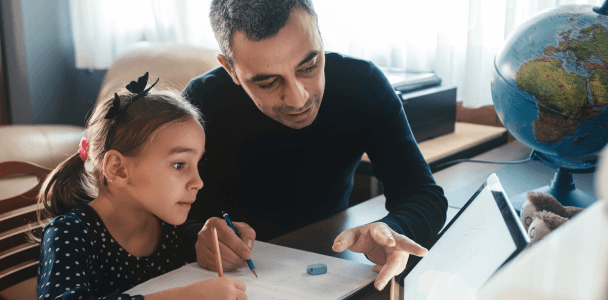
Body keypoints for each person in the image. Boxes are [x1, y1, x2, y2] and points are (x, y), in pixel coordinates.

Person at [182, 0, 448, 291]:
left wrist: (393, 231)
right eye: (268, 83)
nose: (299, 99)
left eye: (309, 66)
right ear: (230, 69)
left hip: (327, 267)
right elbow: (152, 215)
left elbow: (422, 194)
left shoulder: (362, 84)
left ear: (319, 34)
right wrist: (195, 237)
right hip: (232, 282)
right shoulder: (200, 104)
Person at [34, 73, 247, 300]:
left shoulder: (166, 225)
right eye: (178, 164)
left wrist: (214, 241)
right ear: (119, 169)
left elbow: (197, 242)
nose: (198, 181)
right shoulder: (68, 234)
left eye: (198, 163)